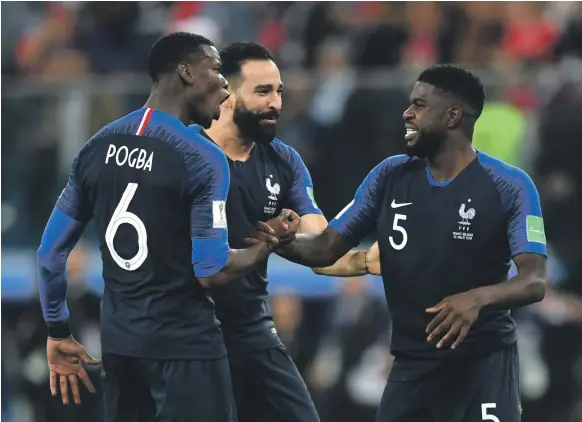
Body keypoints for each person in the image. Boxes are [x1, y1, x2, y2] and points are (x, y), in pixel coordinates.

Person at [262, 64, 548, 422]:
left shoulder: (509, 185)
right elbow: (324, 248)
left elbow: (534, 280)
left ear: (452, 116)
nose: (406, 113)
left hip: (482, 366)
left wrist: (478, 298)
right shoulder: (389, 175)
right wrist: (274, 239)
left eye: (419, 105)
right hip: (410, 367)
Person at [37, 32, 297, 422]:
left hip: (121, 348)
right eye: (215, 70)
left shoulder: (97, 146)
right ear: (186, 73)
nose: (225, 85)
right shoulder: (202, 157)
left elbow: (49, 253)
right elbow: (211, 270)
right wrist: (268, 243)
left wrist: (57, 331)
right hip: (185, 348)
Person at [196, 41, 329, 422]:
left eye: (279, 91)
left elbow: (319, 238)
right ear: (225, 93)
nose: (277, 104)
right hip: (191, 329)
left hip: (253, 327)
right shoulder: (185, 152)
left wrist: (365, 257)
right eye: (263, 91)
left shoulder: (283, 159)